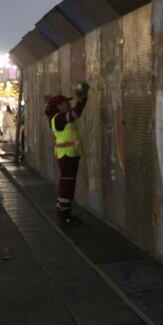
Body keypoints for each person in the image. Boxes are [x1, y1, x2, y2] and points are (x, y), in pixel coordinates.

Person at [45, 82, 90, 225]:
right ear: (60, 106)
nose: (68, 104)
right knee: (67, 185)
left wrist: (82, 100)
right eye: (66, 102)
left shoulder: (59, 117)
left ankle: (64, 213)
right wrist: (82, 99)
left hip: (69, 155)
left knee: (67, 184)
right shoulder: (59, 119)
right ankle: (64, 216)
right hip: (67, 156)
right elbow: (75, 113)